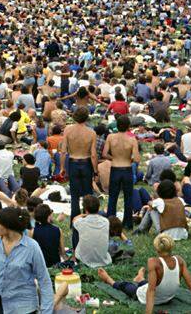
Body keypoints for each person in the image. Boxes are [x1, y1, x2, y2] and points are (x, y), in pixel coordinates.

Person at [97, 234, 191, 314]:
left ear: (157, 248)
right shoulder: (180, 260)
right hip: (168, 297)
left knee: (126, 286)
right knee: (148, 283)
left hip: (148, 297)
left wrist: (148, 312)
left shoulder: (154, 262)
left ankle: (109, 279)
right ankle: (140, 278)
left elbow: (151, 291)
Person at [0, 206, 53, 314]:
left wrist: (46, 311)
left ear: (9, 225)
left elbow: (44, 281)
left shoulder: (31, 247)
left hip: (23, 307)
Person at [60, 107, 97, 248]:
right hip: (86, 162)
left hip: (73, 162)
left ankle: (74, 223)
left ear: (75, 117)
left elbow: (63, 151)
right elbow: (93, 154)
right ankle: (87, 220)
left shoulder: (68, 130)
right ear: (86, 117)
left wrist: (62, 168)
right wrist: (95, 170)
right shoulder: (91, 132)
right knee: (88, 194)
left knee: (74, 195)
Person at [104, 114, 140, 229]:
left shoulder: (110, 137)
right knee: (128, 198)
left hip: (115, 168)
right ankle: (128, 223)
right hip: (127, 168)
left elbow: (104, 154)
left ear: (117, 125)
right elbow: (137, 159)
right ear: (129, 126)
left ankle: (110, 222)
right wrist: (129, 159)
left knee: (112, 197)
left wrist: (114, 158)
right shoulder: (132, 139)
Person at [72, 194, 111, 268]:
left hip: (83, 260)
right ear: (98, 207)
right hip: (103, 259)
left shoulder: (80, 222)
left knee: (75, 228)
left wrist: (82, 215)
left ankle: (74, 255)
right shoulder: (106, 221)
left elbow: (74, 220)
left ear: (85, 208)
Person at [32, 203, 65, 267]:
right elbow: (62, 252)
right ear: (48, 216)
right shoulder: (58, 230)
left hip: (39, 265)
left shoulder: (33, 231)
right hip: (55, 265)